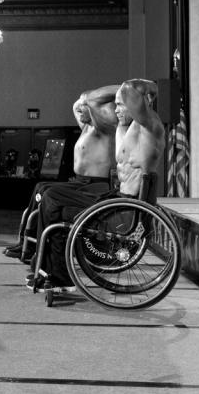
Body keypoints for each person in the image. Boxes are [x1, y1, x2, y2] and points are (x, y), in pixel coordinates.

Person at [32, 79, 166, 290]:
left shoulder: (149, 125)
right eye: (116, 104)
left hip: (128, 207)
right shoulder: (124, 128)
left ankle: (56, 273)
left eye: (121, 105)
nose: (116, 110)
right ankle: (49, 269)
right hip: (116, 199)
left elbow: (133, 90)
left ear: (142, 102)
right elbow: (80, 107)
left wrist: (131, 86)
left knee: (52, 199)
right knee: (51, 199)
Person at [3, 84, 118, 258]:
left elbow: (96, 101)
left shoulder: (104, 128)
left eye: (84, 106)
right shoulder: (86, 127)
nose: (79, 109)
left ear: (95, 109)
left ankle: (38, 249)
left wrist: (123, 88)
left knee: (48, 193)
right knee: (40, 187)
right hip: (80, 181)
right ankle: (25, 243)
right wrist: (82, 99)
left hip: (94, 185)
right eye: (79, 105)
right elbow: (74, 106)